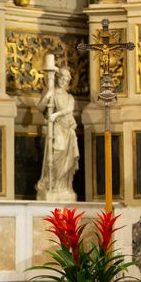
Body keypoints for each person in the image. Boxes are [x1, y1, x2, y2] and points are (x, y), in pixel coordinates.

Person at [35, 66, 80, 201]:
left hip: (68, 129)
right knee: (55, 155)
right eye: (61, 78)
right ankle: (52, 184)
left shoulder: (70, 97)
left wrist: (55, 114)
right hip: (57, 128)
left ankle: (65, 187)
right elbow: (40, 108)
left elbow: (69, 109)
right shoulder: (51, 92)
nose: (63, 81)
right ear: (58, 78)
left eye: (66, 79)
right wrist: (47, 97)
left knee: (69, 158)